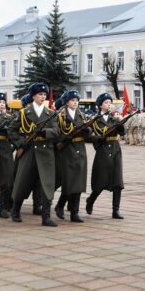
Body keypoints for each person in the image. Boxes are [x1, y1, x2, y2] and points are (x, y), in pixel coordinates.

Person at [8, 83, 61, 226]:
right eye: (39, 94)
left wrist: (45, 132)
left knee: (47, 185)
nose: (42, 97)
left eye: (44, 95)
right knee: (22, 182)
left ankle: (46, 216)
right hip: (29, 151)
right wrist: (20, 142)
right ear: (33, 96)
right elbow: (12, 130)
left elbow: (57, 132)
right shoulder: (24, 113)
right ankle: (15, 210)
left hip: (45, 152)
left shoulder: (50, 114)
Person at [86, 93, 126, 219]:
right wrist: (97, 138)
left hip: (115, 150)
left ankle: (115, 210)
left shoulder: (114, 119)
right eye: (106, 103)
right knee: (100, 181)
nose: (109, 105)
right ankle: (91, 200)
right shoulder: (95, 120)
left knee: (117, 182)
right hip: (103, 151)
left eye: (110, 102)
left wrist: (120, 128)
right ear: (100, 105)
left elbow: (123, 133)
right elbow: (88, 136)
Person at [54, 90, 91, 223]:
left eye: (77, 100)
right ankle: (60, 205)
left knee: (79, 182)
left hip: (80, 149)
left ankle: (74, 213)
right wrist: (64, 137)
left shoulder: (81, 115)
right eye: (72, 100)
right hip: (66, 150)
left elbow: (89, 134)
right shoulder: (60, 116)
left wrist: (88, 132)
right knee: (69, 181)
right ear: (66, 102)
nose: (75, 102)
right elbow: (55, 133)